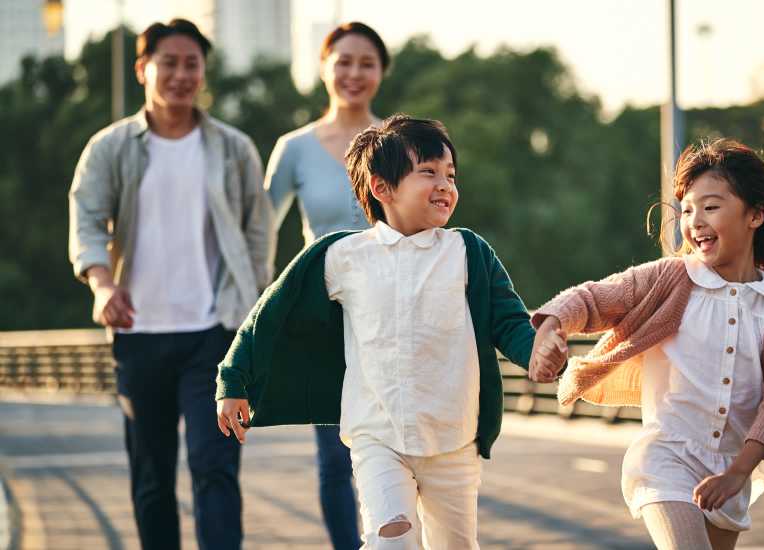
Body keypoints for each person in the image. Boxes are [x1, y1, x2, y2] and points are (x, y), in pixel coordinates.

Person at [216, 115, 566, 549]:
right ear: (382, 188)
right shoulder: (343, 256)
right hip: (376, 436)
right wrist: (234, 378)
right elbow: (270, 313)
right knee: (390, 541)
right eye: (428, 172)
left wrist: (537, 352)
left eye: (451, 175)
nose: (445, 185)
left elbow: (509, 321)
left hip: (453, 439)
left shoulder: (468, 252)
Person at [530, 139, 764, 550]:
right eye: (687, 209)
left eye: (710, 207)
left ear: (755, 215)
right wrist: (551, 326)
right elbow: (593, 298)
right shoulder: (670, 279)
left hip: (733, 463)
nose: (694, 222)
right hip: (666, 456)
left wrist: (739, 472)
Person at [67, 18, 272, 550]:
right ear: (143, 69)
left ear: (204, 71)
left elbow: (257, 234)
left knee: (215, 467)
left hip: (216, 334)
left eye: (192, 64)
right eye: (169, 63)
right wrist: (102, 286)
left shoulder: (233, 149)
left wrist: (254, 318)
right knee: (152, 478)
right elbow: (86, 219)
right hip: (140, 336)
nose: (181, 75)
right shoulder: (110, 148)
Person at [264, 21, 390, 549]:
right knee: (334, 457)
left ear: (381, 72)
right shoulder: (293, 148)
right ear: (323, 68)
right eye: (343, 61)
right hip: (325, 316)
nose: (353, 73)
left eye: (366, 62)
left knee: (395, 449)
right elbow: (257, 234)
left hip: (393, 313)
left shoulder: (399, 142)